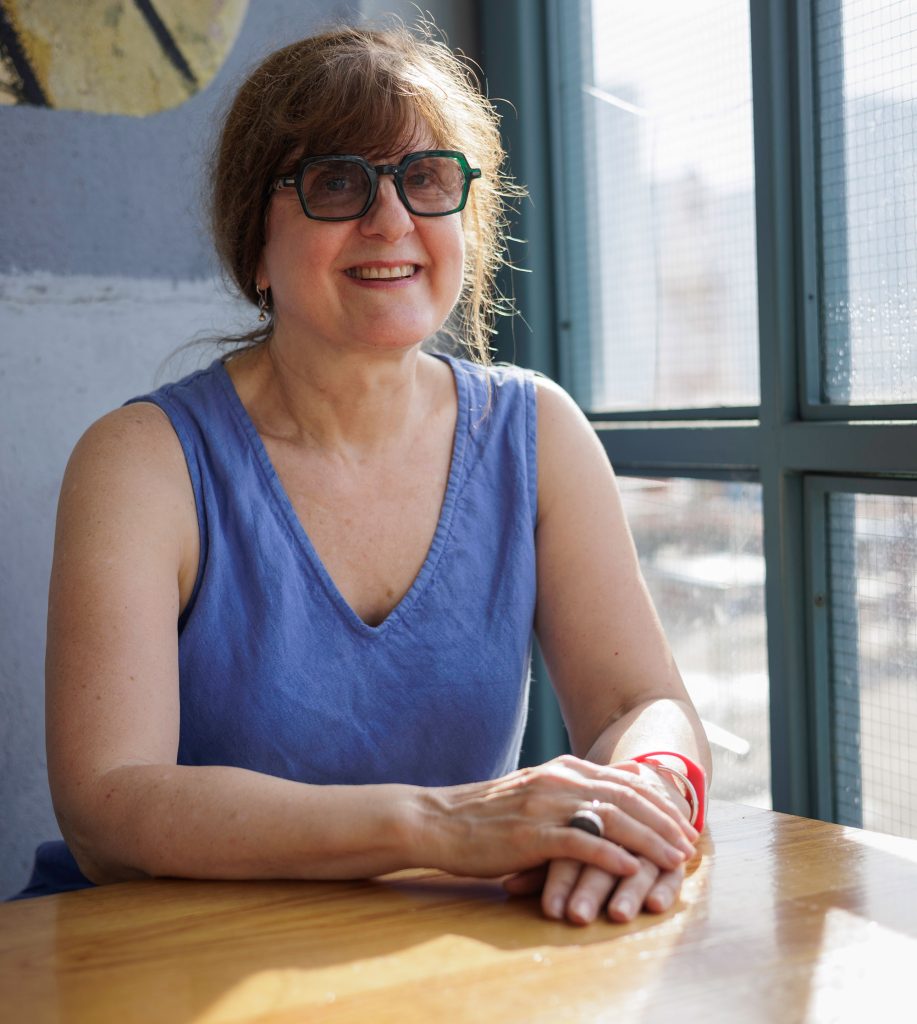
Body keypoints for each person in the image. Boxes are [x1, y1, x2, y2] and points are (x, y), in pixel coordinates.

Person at [19, 24, 711, 925]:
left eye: (426, 179)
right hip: (157, 957)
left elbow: (642, 703)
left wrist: (643, 799)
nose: (392, 221)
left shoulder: (537, 430)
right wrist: (440, 824)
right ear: (254, 247)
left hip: (425, 946)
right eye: (336, 182)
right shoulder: (141, 461)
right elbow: (108, 808)